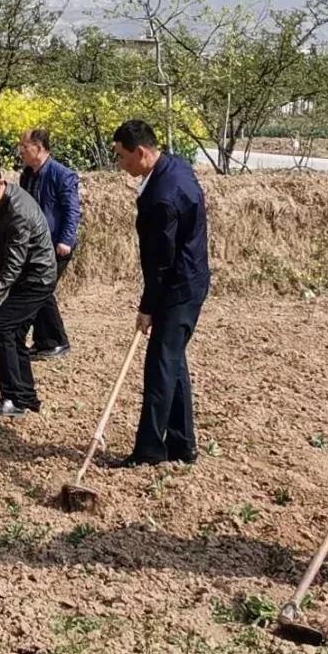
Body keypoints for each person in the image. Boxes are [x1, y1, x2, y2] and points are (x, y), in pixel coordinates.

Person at [111, 120, 210, 466]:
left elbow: (160, 262)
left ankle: (150, 450)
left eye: (123, 157)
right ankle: (182, 445)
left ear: (141, 152)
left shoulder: (162, 197)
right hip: (189, 281)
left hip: (177, 288)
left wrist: (148, 306)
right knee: (172, 362)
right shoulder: (175, 167)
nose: (121, 164)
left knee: (159, 368)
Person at [0, 158, 57, 417]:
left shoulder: (19, 212)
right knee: (14, 334)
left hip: (35, 278)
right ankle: (26, 397)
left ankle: (12, 399)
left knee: (1, 330)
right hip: (24, 276)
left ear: (0, 182)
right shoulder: (0, 201)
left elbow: (13, 266)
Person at [17, 128, 82, 359]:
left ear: (39, 148)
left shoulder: (62, 175)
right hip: (34, 245)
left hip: (56, 245)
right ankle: (44, 341)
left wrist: (65, 240)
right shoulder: (27, 175)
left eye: (25, 146)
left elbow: (72, 210)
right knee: (39, 289)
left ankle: (57, 341)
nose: (21, 151)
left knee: (42, 289)